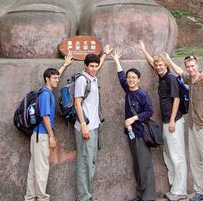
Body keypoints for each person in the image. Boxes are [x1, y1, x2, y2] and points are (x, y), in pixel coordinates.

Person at [165, 53, 203, 201]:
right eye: (188, 66)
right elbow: (179, 72)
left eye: (192, 66)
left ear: (197, 66)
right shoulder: (190, 79)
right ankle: (200, 191)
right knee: (195, 160)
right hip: (193, 126)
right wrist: (168, 60)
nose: (190, 69)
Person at [138, 40, 187, 201]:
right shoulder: (162, 76)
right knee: (168, 154)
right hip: (166, 121)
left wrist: (172, 120)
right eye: (157, 65)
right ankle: (174, 187)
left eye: (161, 65)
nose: (158, 67)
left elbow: (177, 99)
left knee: (177, 155)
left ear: (166, 65)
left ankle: (180, 190)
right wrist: (145, 50)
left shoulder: (171, 78)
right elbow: (153, 63)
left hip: (174, 120)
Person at [24, 52, 74, 201]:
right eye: (54, 78)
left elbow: (54, 75)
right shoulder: (46, 94)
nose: (57, 80)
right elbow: (45, 116)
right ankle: (42, 198)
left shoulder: (44, 91)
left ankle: (30, 197)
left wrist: (64, 65)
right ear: (47, 79)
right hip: (42, 135)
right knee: (41, 169)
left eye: (58, 77)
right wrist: (51, 136)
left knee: (34, 169)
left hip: (37, 135)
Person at [111, 48, 156, 201]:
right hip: (131, 134)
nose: (130, 80)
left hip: (141, 133)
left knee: (144, 166)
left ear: (138, 80)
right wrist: (117, 60)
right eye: (129, 77)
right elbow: (121, 76)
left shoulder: (142, 94)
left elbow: (150, 112)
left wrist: (134, 118)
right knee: (137, 166)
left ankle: (148, 197)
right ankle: (139, 195)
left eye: (133, 78)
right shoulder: (128, 90)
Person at [74, 45, 111, 201]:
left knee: (92, 161)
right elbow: (77, 103)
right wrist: (83, 125)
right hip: (85, 127)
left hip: (94, 126)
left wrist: (105, 54)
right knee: (85, 163)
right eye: (92, 66)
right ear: (85, 66)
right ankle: (83, 197)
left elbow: (97, 65)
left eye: (96, 66)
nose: (95, 68)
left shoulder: (92, 78)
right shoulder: (82, 80)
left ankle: (87, 195)